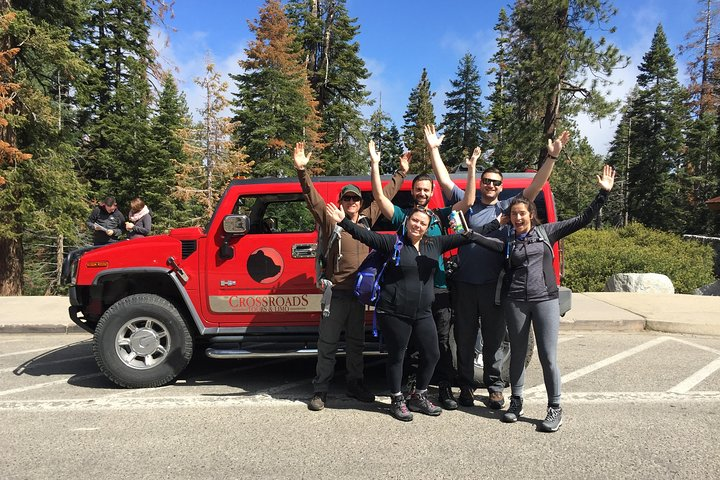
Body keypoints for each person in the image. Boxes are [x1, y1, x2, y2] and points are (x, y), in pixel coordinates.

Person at [427, 124, 569, 409]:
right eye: (486, 180)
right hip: (465, 284)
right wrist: (433, 149)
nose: (490, 185)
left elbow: (535, 186)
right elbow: (443, 181)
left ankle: (494, 386)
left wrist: (551, 158)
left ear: (501, 187)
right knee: (464, 339)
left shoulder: (507, 207)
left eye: (495, 182)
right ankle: (465, 386)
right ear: (480, 183)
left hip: (496, 286)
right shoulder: (465, 203)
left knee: (493, 340)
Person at [465, 164, 615, 432]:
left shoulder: (548, 232)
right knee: (518, 354)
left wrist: (602, 194)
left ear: (531, 214)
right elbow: (480, 238)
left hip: (545, 300)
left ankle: (555, 407)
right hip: (516, 302)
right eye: (513, 215)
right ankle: (516, 403)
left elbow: (582, 219)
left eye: (521, 213)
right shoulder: (508, 242)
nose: (518, 218)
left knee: (548, 357)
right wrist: (466, 232)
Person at [369, 136, 496, 410]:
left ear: (431, 192)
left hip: (438, 289)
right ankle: (410, 391)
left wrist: (472, 167)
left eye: (427, 189)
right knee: (409, 347)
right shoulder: (404, 217)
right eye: (418, 189)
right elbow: (379, 197)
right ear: (412, 192)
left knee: (438, 344)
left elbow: (470, 199)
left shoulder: (440, 215)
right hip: (405, 293)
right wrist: (376, 165)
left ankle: (443, 389)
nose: (423, 193)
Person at [325, 201, 472, 422]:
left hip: (423, 312)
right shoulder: (392, 242)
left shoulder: (435, 244)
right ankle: (397, 398)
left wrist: (496, 222)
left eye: (423, 223)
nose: (418, 225)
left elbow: (466, 237)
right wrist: (343, 221)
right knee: (397, 356)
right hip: (394, 312)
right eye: (414, 220)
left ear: (428, 226)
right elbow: (365, 236)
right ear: (407, 221)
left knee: (432, 354)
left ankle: (419, 395)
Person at [293, 142, 408, 412]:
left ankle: (356, 384)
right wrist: (301, 171)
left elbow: (386, 194)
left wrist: (401, 173)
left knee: (356, 343)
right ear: (341, 202)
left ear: (361, 203)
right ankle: (320, 390)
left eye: (356, 199)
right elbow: (312, 196)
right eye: (347, 199)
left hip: (360, 294)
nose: (352, 203)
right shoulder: (330, 218)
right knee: (328, 344)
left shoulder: (367, 220)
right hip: (336, 293)